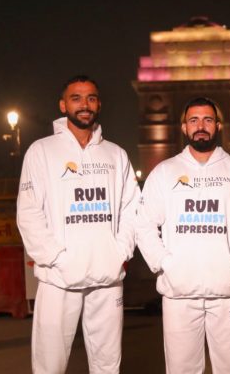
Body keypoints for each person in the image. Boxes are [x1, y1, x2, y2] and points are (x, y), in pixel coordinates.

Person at [16, 75, 139, 374]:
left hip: (106, 276)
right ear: (63, 105)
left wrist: (119, 253)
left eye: (91, 98)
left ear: (99, 104)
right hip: (59, 277)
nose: (85, 105)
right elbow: (29, 212)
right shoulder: (41, 150)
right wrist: (56, 259)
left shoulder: (116, 154)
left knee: (108, 363)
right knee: (50, 363)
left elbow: (132, 209)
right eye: (76, 98)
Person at [136, 97, 230, 374]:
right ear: (184, 127)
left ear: (218, 125)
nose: (200, 126)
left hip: (227, 290)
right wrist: (164, 263)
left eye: (207, 119)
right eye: (193, 120)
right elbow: (144, 223)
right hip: (178, 292)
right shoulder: (164, 171)